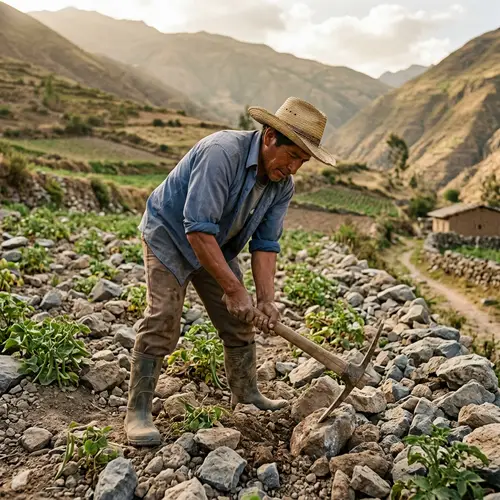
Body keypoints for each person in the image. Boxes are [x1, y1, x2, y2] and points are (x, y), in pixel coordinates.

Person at [125, 96, 336, 446]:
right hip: (171, 235)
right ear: (270, 137)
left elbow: (265, 245)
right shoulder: (221, 153)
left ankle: (246, 393)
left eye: (303, 160)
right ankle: (138, 411)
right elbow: (196, 229)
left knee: (240, 320)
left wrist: (266, 300)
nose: (295, 167)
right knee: (163, 316)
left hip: (216, 244)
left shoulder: (282, 184)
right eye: (293, 155)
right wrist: (235, 289)